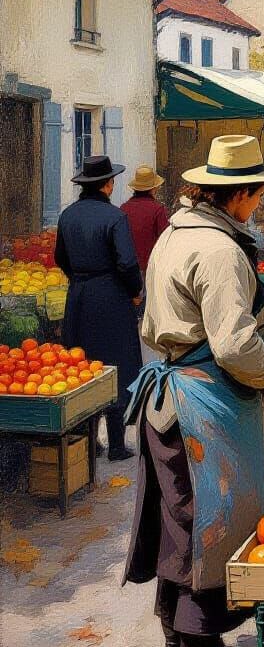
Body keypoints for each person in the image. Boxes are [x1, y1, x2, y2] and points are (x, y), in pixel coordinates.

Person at [122, 135, 264, 647]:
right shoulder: (219, 250)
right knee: (210, 526)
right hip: (202, 405)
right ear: (240, 194)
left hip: (170, 399)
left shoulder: (178, 231)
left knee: (179, 523)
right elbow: (234, 345)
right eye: (259, 194)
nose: (261, 202)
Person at [56, 155, 143, 462]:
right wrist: (134, 291)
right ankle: (117, 445)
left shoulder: (67, 216)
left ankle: (90, 441)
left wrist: (80, 278)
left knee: (82, 365)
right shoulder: (115, 217)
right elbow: (127, 263)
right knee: (115, 364)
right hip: (111, 298)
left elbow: (60, 258)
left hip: (79, 297)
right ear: (108, 185)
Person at [121, 166, 171, 275]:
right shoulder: (157, 209)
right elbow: (165, 239)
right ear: (153, 189)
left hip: (126, 268)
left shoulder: (124, 208)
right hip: (149, 268)